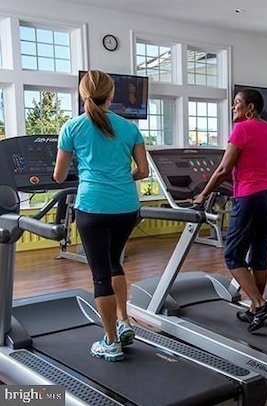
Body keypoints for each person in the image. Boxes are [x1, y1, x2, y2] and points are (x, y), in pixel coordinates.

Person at [53, 70, 149, 362]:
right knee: (114, 262)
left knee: (100, 276)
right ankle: (124, 323)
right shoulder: (129, 128)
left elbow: (58, 176)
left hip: (93, 207)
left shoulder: (72, 128)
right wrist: (121, 178)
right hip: (126, 206)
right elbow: (143, 172)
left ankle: (110, 342)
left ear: (83, 95)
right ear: (111, 95)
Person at [193, 88, 267, 333]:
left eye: (237, 103)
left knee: (232, 255)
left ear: (250, 107)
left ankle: (259, 304)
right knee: (259, 256)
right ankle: (254, 310)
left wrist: (203, 194)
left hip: (250, 196)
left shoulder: (242, 129)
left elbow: (223, 169)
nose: (234, 107)